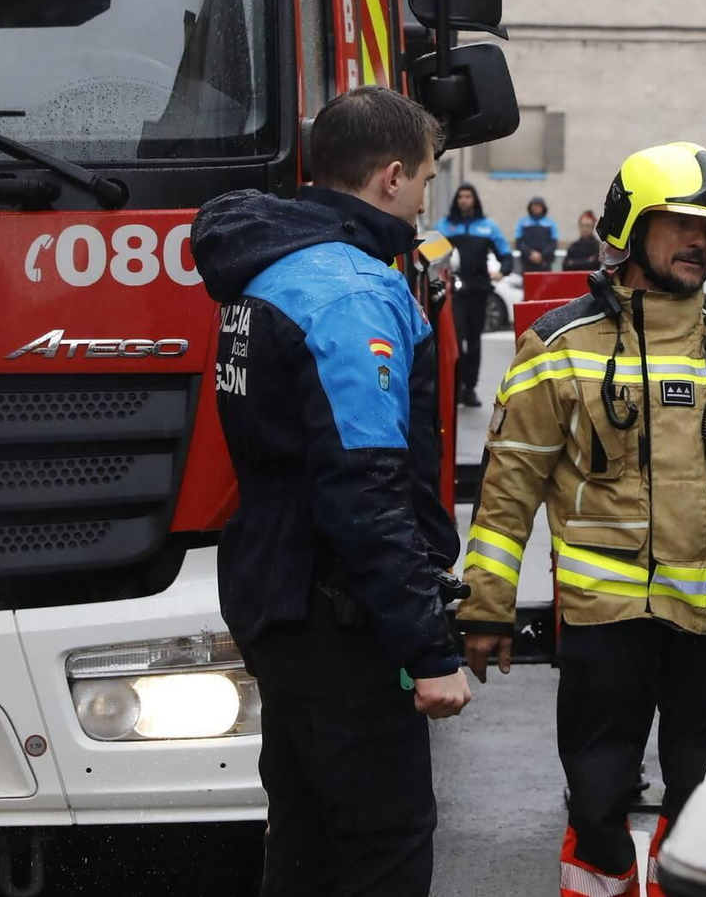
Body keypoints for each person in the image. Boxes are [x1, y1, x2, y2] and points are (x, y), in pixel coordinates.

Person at [457, 142, 706, 897]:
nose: (698, 242)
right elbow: (509, 488)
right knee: (600, 799)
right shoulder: (558, 346)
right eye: (680, 224)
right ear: (629, 226)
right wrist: (486, 603)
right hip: (606, 624)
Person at [191, 86, 472, 897]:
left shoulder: (270, 268)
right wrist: (428, 648)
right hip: (340, 619)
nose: (425, 198)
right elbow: (367, 488)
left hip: (278, 600)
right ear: (390, 176)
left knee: (307, 841)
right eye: (424, 178)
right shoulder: (353, 291)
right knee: (383, 844)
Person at [437, 183, 511, 407]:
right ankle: (455, 386)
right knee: (456, 338)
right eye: (461, 196)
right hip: (455, 292)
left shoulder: (488, 227)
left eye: (468, 196)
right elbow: (429, 254)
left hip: (479, 291)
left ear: (475, 199)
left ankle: (470, 388)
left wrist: (502, 272)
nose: (464, 200)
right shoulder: (445, 226)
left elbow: (506, 255)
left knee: (474, 340)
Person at [514, 196, 560, 275]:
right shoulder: (523, 222)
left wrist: (542, 255)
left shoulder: (550, 223)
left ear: (543, 208)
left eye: (538, 206)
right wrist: (530, 253)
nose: (536, 208)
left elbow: (553, 243)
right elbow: (519, 243)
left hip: (545, 262)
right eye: (534, 206)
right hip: (527, 262)